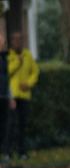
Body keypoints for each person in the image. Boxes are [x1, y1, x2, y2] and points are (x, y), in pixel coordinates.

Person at [7, 32, 39, 160]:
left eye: (20, 40)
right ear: (12, 43)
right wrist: (17, 63)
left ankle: (22, 152)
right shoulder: (8, 56)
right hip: (13, 96)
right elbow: (7, 72)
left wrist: (28, 84)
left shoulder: (27, 55)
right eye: (15, 40)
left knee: (22, 125)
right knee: (11, 125)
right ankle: (8, 152)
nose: (18, 43)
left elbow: (35, 72)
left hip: (25, 95)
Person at [0, 35, 13, 165]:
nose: (3, 44)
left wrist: (10, 96)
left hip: (4, 96)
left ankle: (6, 152)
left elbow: (8, 79)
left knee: (6, 127)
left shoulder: (5, 58)